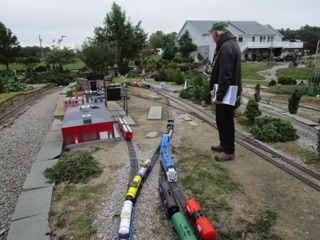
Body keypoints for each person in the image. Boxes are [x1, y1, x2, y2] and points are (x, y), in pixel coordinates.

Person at [208, 22, 242, 162]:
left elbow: (225, 75)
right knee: (221, 121)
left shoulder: (227, 47)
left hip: (226, 94)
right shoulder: (228, 44)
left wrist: (219, 96)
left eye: (212, 34)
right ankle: (224, 144)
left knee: (226, 122)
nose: (212, 37)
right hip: (227, 92)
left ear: (216, 33)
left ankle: (229, 151)